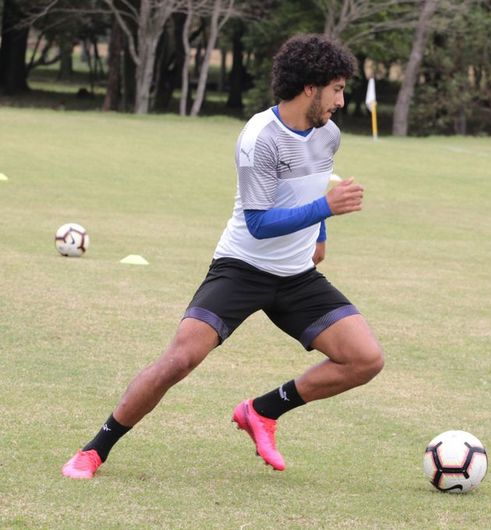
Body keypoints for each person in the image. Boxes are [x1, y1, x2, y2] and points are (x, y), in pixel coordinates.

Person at [62, 33, 384, 478]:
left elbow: (314, 183)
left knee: (366, 359)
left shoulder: (328, 134)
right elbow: (259, 223)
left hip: (295, 274)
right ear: (310, 86)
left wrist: (320, 231)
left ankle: (263, 411)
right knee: (179, 360)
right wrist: (326, 208)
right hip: (242, 267)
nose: (341, 101)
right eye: (337, 89)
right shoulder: (260, 138)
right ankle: (95, 449)